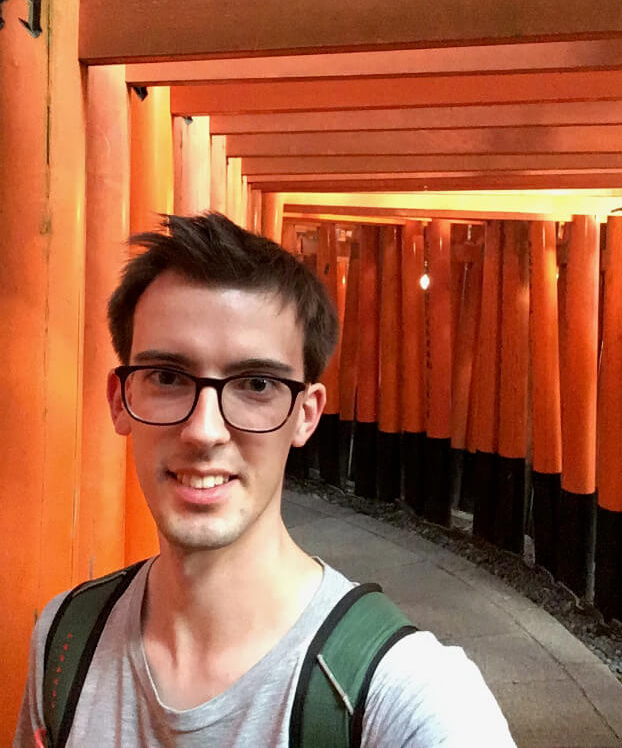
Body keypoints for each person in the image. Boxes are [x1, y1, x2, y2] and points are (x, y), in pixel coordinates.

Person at [15, 212, 514, 746]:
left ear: (306, 414)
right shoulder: (65, 642)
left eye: (255, 384)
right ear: (121, 402)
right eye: (166, 377)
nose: (204, 431)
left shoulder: (409, 698)